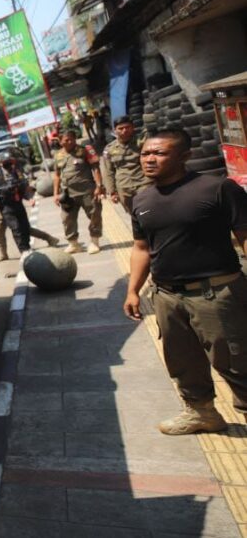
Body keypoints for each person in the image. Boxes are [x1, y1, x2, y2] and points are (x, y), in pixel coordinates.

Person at [123, 128, 247, 436]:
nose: (149, 159)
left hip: (216, 292)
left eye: (159, 153)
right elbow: (141, 248)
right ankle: (202, 413)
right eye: (145, 154)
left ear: (184, 156)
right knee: (183, 360)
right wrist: (132, 290)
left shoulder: (217, 189)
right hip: (166, 296)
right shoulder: (141, 199)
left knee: (235, 359)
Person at [0, 153, 60, 261]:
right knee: (2, 230)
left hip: (16, 203)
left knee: (22, 227)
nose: (9, 166)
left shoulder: (16, 171)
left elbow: (22, 188)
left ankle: (34, 244)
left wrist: (29, 198)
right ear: (1, 164)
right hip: (1, 206)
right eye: (6, 163)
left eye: (10, 163)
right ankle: (5, 253)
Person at [52, 130, 104, 254]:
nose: (69, 142)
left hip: (87, 191)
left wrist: (99, 186)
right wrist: (55, 193)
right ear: (60, 141)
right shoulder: (58, 155)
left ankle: (94, 242)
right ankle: (74, 244)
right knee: (67, 219)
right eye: (66, 140)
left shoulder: (85, 150)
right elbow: (57, 175)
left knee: (94, 215)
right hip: (68, 194)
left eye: (71, 139)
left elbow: (95, 168)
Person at [100, 115, 150, 214]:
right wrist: (112, 191)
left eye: (127, 127)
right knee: (133, 215)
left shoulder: (142, 142)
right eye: (120, 128)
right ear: (115, 130)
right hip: (124, 188)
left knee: (148, 212)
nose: (124, 131)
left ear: (133, 128)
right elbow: (107, 171)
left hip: (144, 183)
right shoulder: (109, 149)